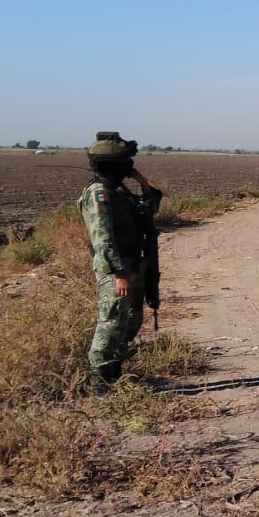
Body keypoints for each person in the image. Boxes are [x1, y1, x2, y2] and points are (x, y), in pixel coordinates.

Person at [79, 131, 162, 384]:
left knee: (132, 319)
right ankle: (101, 382)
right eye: (126, 162)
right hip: (118, 269)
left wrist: (143, 183)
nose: (130, 166)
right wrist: (119, 274)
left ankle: (115, 368)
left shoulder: (118, 190)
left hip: (133, 264)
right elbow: (103, 238)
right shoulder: (99, 193)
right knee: (112, 323)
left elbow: (150, 210)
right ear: (114, 164)